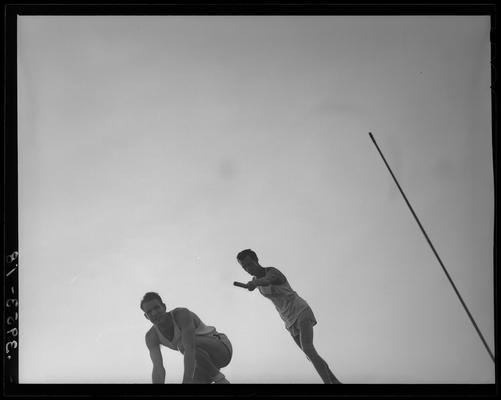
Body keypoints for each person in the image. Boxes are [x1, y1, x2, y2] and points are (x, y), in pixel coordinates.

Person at [236, 249, 341, 384]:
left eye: (249, 264)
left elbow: (268, 280)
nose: (247, 269)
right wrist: (253, 284)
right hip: (288, 320)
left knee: (308, 348)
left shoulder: (272, 272)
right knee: (309, 354)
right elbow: (259, 283)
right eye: (244, 267)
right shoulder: (255, 280)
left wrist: (255, 284)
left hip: (300, 310)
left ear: (256, 261)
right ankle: (335, 381)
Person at [140, 292, 232, 384]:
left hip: (221, 348)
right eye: (149, 312)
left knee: (182, 345)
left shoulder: (181, 314)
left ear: (164, 307)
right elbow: (158, 368)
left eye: (156, 308)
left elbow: (190, 348)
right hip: (202, 361)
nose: (155, 313)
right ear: (146, 316)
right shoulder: (151, 336)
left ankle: (220, 379)